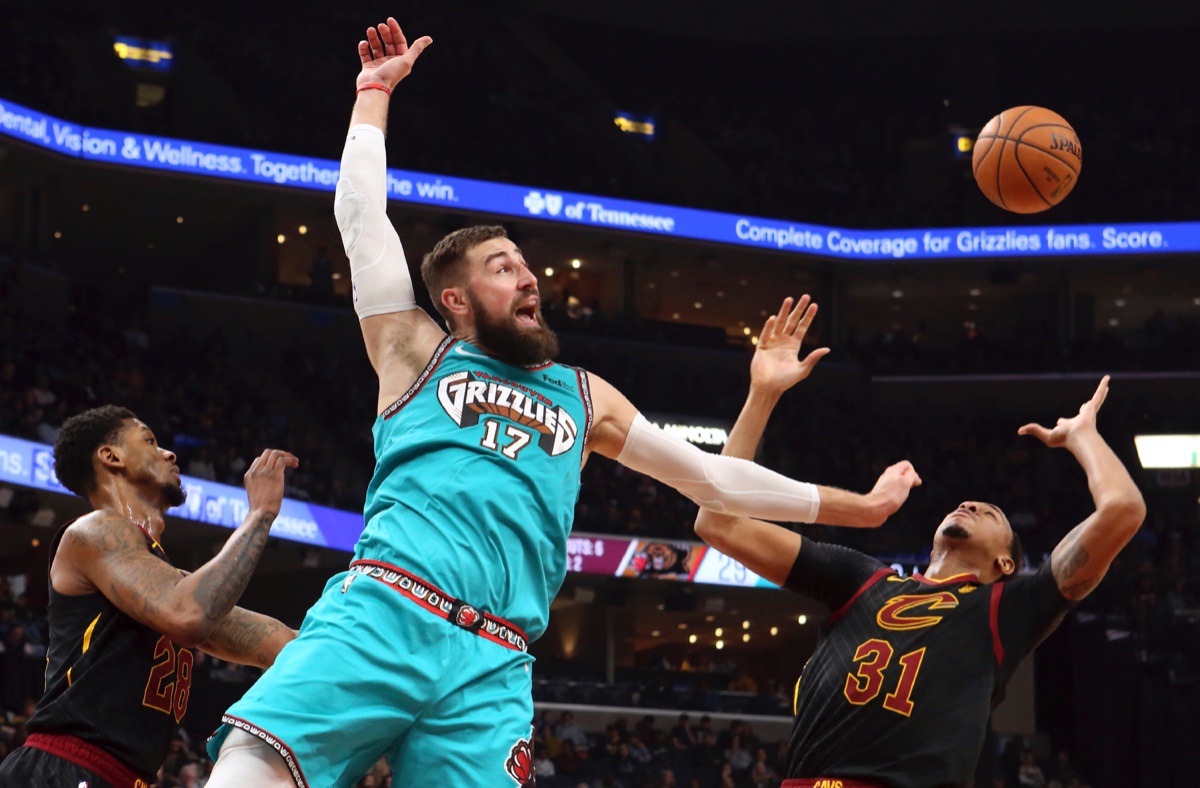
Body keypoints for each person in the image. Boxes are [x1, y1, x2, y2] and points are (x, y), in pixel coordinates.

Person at [205, 18, 919, 788]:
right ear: (454, 298)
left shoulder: (585, 395)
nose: (529, 278)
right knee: (256, 761)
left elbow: (710, 483)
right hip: (384, 609)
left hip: (495, 661)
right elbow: (359, 219)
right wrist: (373, 96)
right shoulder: (416, 346)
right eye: (504, 267)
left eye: (526, 266)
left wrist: (863, 508)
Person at [693, 297, 1146, 787]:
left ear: (1006, 562)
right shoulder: (861, 580)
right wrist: (762, 394)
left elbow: (1122, 510)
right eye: (968, 504)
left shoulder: (1008, 607)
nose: (970, 504)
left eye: (990, 513)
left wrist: (1083, 437)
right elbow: (719, 523)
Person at [0, 405, 298, 788]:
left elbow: (279, 642)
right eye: (150, 441)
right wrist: (260, 515)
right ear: (111, 457)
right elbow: (188, 614)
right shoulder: (94, 530)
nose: (169, 453)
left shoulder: (163, 584)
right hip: (65, 769)